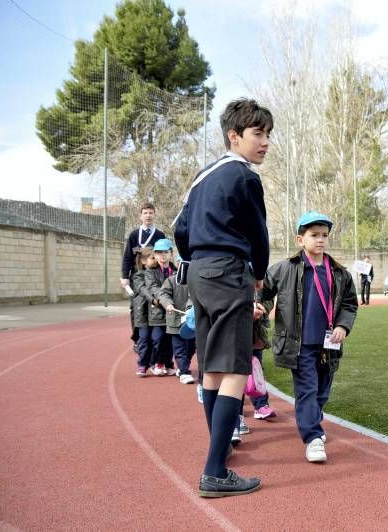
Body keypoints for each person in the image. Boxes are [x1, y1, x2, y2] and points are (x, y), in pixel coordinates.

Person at [174, 97, 272, 498]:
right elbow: (259, 233)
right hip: (229, 271)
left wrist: (196, 258)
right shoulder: (244, 176)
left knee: (212, 366)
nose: (265, 142)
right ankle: (214, 470)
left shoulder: (202, 176)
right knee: (234, 367)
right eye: (258, 134)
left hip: (198, 273)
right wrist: (260, 275)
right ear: (235, 136)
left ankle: (220, 450)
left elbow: (180, 229)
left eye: (268, 134)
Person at [260, 211, 358, 463]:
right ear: (300, 239)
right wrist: (258, 305)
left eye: (324, 235)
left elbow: (349, 304)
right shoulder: (284, 269)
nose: (321, 240)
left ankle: (313, 420)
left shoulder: (339, 273)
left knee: (322, 392)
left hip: (328, 345)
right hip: (298, 344)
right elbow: (262, 291)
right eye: (314, 235)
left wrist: (343, 326)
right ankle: (313, 437)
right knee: (307, 390)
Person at [121, 203, 166, 346]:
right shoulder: (134, 235)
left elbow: (164, 255)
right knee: (136, 307)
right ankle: (137, 339)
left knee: (155, 307)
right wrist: (124, 276)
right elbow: (127, 256)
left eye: (151, 213)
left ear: (154, 215)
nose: (148, 215)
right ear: (141, 216)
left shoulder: (160, 235)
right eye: (145, 213)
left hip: (154, 277)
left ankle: (154, 339)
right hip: (137, 277)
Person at [159, 255, 196, 384]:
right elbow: (163, 294)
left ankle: (183, 367)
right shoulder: (170, 280)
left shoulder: (196, 281)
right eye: (181, 263)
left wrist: (190, 307)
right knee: (179, 348)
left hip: (191, 322)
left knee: (191, 348)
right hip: (175, 321)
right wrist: (168, 303)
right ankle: (184, 372)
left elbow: (194, 297)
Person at [145, 238, 177, 376]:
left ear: (171, 253)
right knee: (158, 339)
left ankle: (168, 364)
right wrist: (166, 302)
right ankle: (157, 363)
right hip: (157, 312)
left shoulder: (177, 271)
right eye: (159, 252)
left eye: (166, 252)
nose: (162, 255)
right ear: (155, 255)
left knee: (170, 341)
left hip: (173, 311)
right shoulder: (150, 272)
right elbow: (154, 289)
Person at [132, 247, 153, 377]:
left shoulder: (159, 273)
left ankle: (158, 362)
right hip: (143, 312)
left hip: (156, 311)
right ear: (144, 261)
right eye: (152, 257)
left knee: (157, 338)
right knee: (144, 338)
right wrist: (154, 298)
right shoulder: (138, 275)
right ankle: (142, 364)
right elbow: (143, 290)